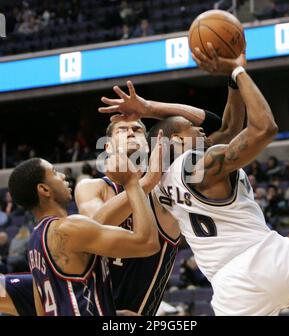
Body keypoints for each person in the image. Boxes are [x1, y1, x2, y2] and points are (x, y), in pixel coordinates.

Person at [104, 43, 289, 315]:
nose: (202, 129)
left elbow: (229, 127)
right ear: (176, 139)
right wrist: (238, 70)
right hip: (268, 258)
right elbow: (264, 129)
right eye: (193, 129)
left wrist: (148, 107)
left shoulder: (160, 178)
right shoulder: (198, 165)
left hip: (231, 291)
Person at [75, 53, 246, 315]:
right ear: (108, 146)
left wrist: (151, 109)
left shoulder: (167, 185)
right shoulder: (92, 187)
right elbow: (93, 228)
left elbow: (218, 127)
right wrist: (142, 184)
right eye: (123, 130)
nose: (131, 132)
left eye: (138, 130)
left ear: (150, 142)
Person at [7, 156, 159, 316]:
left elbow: (42, 309)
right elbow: (148, 242)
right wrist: (132, 183)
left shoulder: (33, 243)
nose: (63, 176)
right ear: (44, 189)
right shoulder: (68, 228)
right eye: (54, 172)